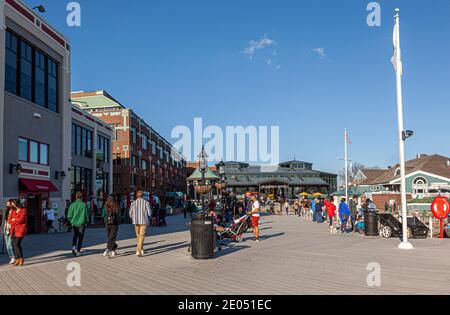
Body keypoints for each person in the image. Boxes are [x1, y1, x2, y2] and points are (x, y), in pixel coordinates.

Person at [129, 191, 151, 257]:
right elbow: (149, 213)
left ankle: (141, 249)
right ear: (143, 196)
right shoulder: (146, 202)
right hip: (143, 221)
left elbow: (130, 213)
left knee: (138, 236)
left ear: (136, 196)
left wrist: (133, 217)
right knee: (142, 236)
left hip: (135, 221)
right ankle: (138, 250)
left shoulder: (133, 203)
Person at [67, 192, 90, 257]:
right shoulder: (84, 205)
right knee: (80, 237)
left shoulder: (72, 205)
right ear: (82, 197)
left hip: (74, 223)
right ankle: (78, 250)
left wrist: (71, 221)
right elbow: (87, 215)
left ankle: (73, 247)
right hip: (82, 223)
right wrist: (86, 221)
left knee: (75, 236)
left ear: (76, 197)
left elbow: (69, 215)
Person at [8, 200, 27, 267]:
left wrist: (14, 220)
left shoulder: (23, 210)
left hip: (20, 229)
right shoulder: (13, 211)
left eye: (13, 204)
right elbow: (9, 220)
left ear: (17, 204)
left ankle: (21, 258)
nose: (12, 205)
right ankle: (17, 259)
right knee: (14, 245)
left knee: (17, 244)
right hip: (13, 230)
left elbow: (21, 219)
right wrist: (14, 220)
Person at [2, 200, 16, 264]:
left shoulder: (13, 210)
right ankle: (11, 257)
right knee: (7, 246)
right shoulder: (4, 210)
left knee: (9, 245)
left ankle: (13, 257)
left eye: (8, 204)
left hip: (11, 229)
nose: (7, 205)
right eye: (6, 204)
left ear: (11, 204)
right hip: (5, 229)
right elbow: (2, 219)